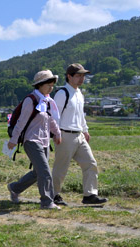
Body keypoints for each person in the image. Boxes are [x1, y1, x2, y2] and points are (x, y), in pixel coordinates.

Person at [52, 64, 108, 205]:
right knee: (61, 168)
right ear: (69, 76)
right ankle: (52, 195)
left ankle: (89, 195)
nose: (81, 78)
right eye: (78, 75)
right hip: (65, 135)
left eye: (83, 76)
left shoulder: (79, 93)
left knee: (90, 164)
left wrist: (85, 129)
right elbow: (54, 116)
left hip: (79, 135)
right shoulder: (62, 93)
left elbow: (80, 115)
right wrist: (56, 133)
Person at [7, 70, 63, 210]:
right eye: (48, 85)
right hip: (31, 141)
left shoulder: (47, 101)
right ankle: (47, 202)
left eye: (52, 85)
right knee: (45, 172)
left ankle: (14, 188)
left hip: (44, 141)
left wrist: (57, 133)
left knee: (38, 172)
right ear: (40, 85)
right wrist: (13, 139)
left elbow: (50, 120)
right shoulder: (30, 100)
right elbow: (21, 122)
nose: (51, 88)